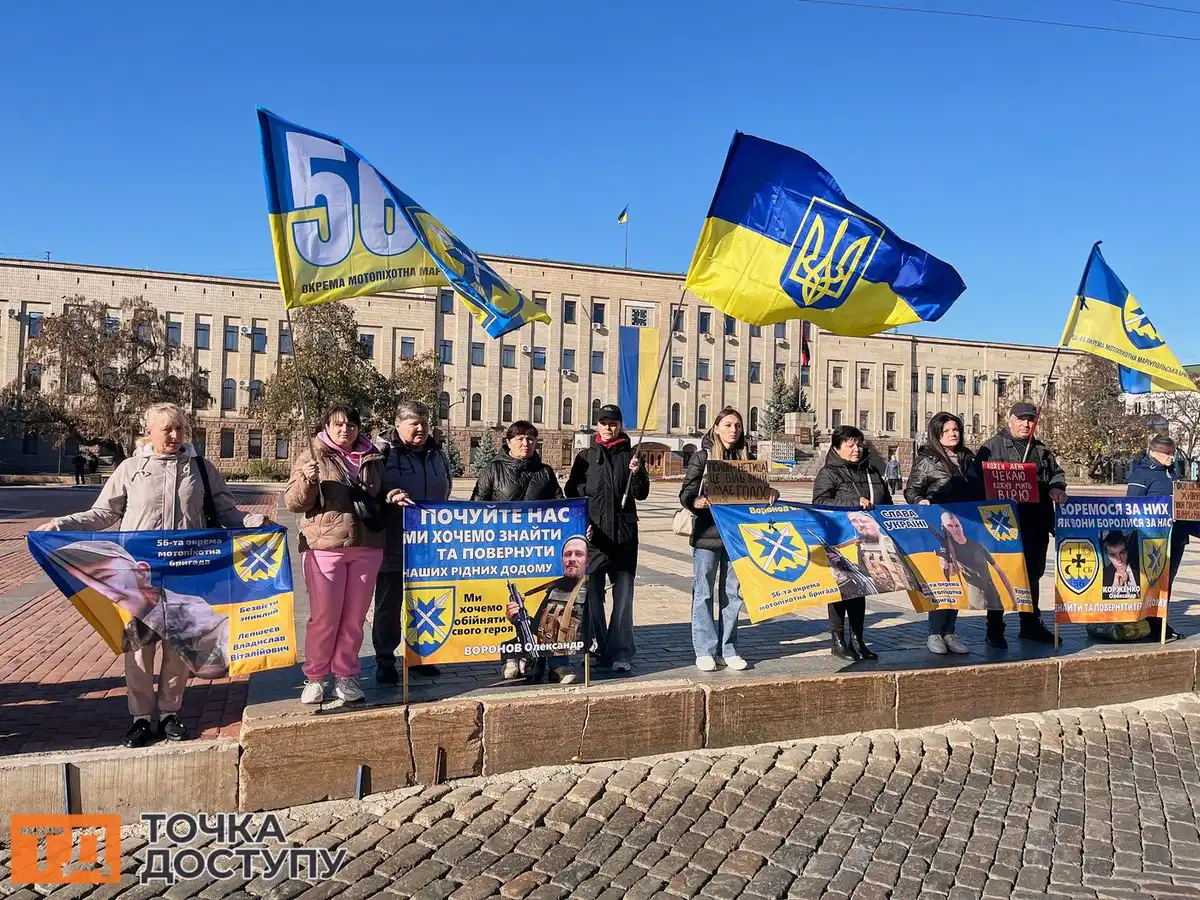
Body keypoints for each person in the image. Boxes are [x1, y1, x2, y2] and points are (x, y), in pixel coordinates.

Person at [35, 402, 265, 748]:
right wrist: (62, 524)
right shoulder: (130, 469)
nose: (175, 435)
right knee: (139, 649)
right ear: (149, 433)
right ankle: (141, 718)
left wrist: (255, 523)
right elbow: (102, 514)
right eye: (167, 429)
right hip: (139, 577)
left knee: (178, 648)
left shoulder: (201, 468)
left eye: (180, 429)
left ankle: (171, 713)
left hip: (186, 574)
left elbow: (227, 512)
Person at [286, 403, 400, 706]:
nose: (345, 430)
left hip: (367, 545)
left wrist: (393, 495)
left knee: (353, 619)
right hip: (326, 547)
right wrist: (307, 480)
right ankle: (315, 677)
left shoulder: (372, 457)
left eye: (350, 424)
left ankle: (346, 676)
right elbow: (294, 503)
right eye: (338, 424)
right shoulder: (313, 454)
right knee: (324, 617)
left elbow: (383, 490)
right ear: (326, 426)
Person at [472, 420, 566, 680]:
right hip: (504, 551)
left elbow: (561, 507)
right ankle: (510, 657)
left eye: (531, 439)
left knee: (538, 606)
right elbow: (476, 507)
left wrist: (578, 525)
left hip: (538, 552)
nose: (526, 444)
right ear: (509, 442)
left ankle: (541, 657)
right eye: (520, 439)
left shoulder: (545, 472)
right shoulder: (492, 470)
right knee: (509, 606)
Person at [972, 402, 1067, 648]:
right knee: (1001, 575)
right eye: (1022, 419)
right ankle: (994, 628)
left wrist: (1057, 487)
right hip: (1004, 524)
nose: (1026, 424)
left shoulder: (1041, 449)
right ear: (1009, 419)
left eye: (1031, 420)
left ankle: (1030, 624)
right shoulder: (991, 447)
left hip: (1035, 521)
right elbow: (975, 481)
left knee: (1032, 575)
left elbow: (1056, 473)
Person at [565, 403, 649, 674]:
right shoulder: (586, 457)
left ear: (620, 425)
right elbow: (572, 492)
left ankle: (621, 651)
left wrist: (638, 474)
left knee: (623, 599)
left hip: (624, 538)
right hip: (595, 538)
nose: (608, 427)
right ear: (596, 426)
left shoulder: (632, 455)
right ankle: (599, 646)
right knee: (592, 597)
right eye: (603, 422)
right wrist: (583, 522)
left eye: (613, 422)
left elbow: (641, 493)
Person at [373, 401, 453, 681]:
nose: (420, 428)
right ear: (398, 425)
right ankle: (384, 660)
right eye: (414, 423)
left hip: (428, 545)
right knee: (389, 603)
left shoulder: (437, 454)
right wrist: (389, 496)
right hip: (392, 539)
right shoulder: (383, 452)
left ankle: (419, 657)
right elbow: (370, 488)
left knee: (424, 602)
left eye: (424, 423)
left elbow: (447, 488)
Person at [679, 407, 758, 672]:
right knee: (703, 592)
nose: (733, 430)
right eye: (728, 425)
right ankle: (704, 649)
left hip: (737, 536)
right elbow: (687, 490)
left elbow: (757, 493)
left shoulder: (747, 459)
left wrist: (770, 493)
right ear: (716, 428)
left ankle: (729, 648)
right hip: (708, 534)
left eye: (737, 425)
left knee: (731, 593)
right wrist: (695, 500)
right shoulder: (703, 458)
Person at [811, 424, 891, 661]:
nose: (856, 449)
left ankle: (858, 639)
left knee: (862, 589)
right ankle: (837, 640)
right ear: (837, 447)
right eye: (850, 444)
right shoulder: (828, 473)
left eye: (859, 444)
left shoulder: (871, 471)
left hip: (867, 542)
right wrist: (855, 503)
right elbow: (820, 503)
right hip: (838, 541)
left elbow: (885, 500)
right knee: (842, 589)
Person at [904, 412, 977, 655]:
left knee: (958, 579)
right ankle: (935, 632)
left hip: (964, 525)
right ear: (937, 434)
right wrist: (921, 501)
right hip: (937, 526)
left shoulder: (968, 457)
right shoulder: (927, 460)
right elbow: (912, 490)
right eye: (946, 431)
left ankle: (951, 631)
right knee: (942, 579)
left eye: (956, 429)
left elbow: (981, 486)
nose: (953, 434)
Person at [1127, 433, 1192, 641]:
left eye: (1172, 453)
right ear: (1153, 452)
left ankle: (1161, 620)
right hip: (1152, 538)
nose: (1170, 457)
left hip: (1176, 536)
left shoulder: (1172, 473)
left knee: (1167, 582)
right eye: (1166, 454)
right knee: (1151, 582)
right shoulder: (1142, 474)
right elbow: (1132, 505)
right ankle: (1149, 622)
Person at [504, 536, 587, 684]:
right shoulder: (555, 589)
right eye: (567, 554)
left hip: (564, 649)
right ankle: (516, 660)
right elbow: (537, 627)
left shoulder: (591, 589)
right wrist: (518, 618)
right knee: (530, 669)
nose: (571, 559)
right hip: (546, 645)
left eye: (578, 554)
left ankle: (557, 666)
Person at [935, 511, 1019, 615]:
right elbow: (953, 572)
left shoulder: (977, 545)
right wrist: (945, 565)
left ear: (961, 525)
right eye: (950, 526)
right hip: (976, 599)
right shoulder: (949, 548)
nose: (955, 529)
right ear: (944, 528)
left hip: (993, 596)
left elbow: (1000, 571)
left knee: (997, 623)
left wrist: (1014, 599)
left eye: (957, 525)